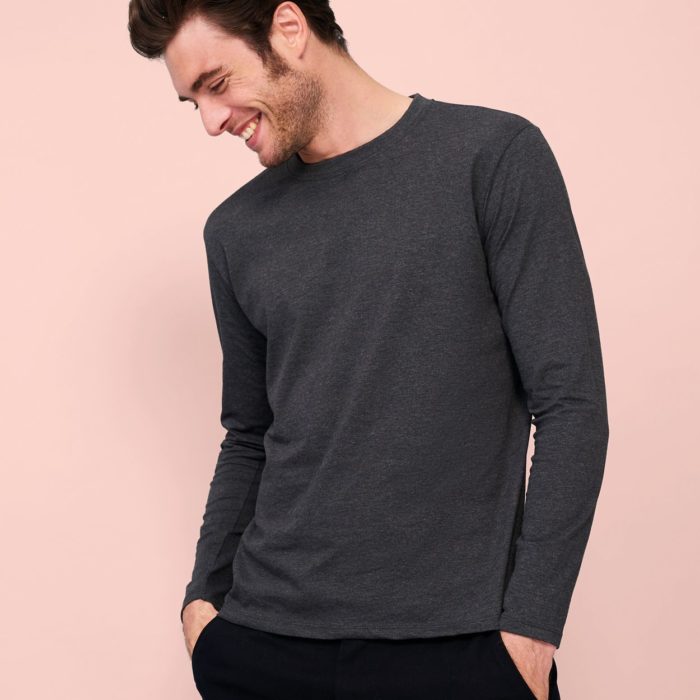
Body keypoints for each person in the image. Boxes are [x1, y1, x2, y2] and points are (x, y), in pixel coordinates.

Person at [128, 2, 609, 698]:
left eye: (216, 83)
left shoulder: (491, 158)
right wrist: (204, 604)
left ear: (288, 29)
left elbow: (571, 405)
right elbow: (250, 433)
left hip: (457, 652)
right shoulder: (235, 232)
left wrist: (531, 632)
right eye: (191, 101)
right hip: (264, 645)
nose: (210, 120)